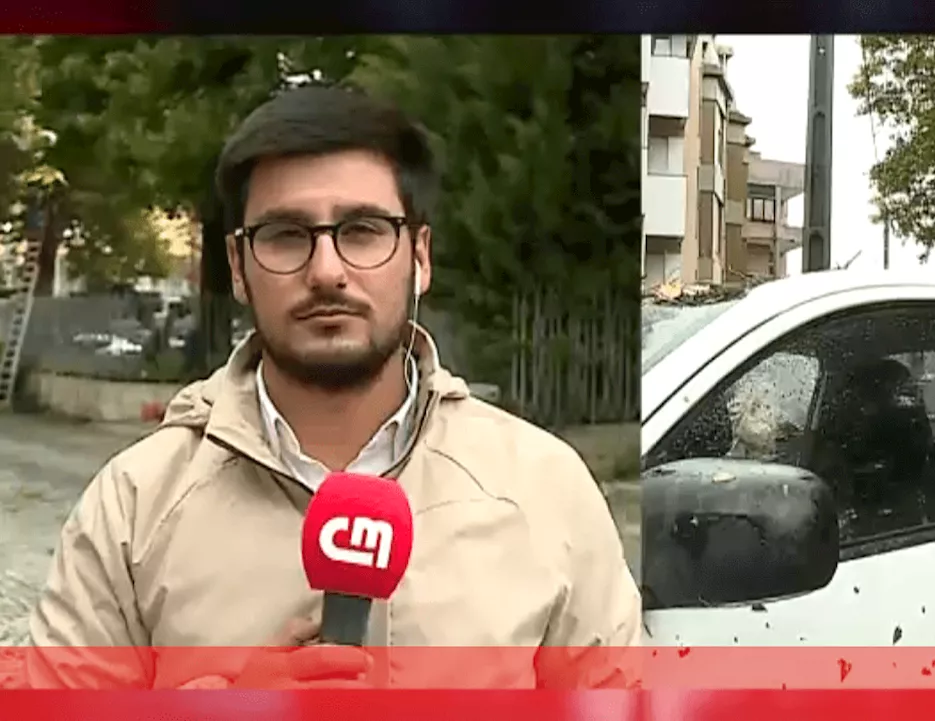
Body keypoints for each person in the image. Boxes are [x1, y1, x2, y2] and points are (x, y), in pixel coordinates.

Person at [26, 85, 641, 689]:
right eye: (286, 236)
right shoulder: (135, 505)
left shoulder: (543, 489)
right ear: (239, 268)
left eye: (363, 230)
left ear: (419, 256)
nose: (326, 271)